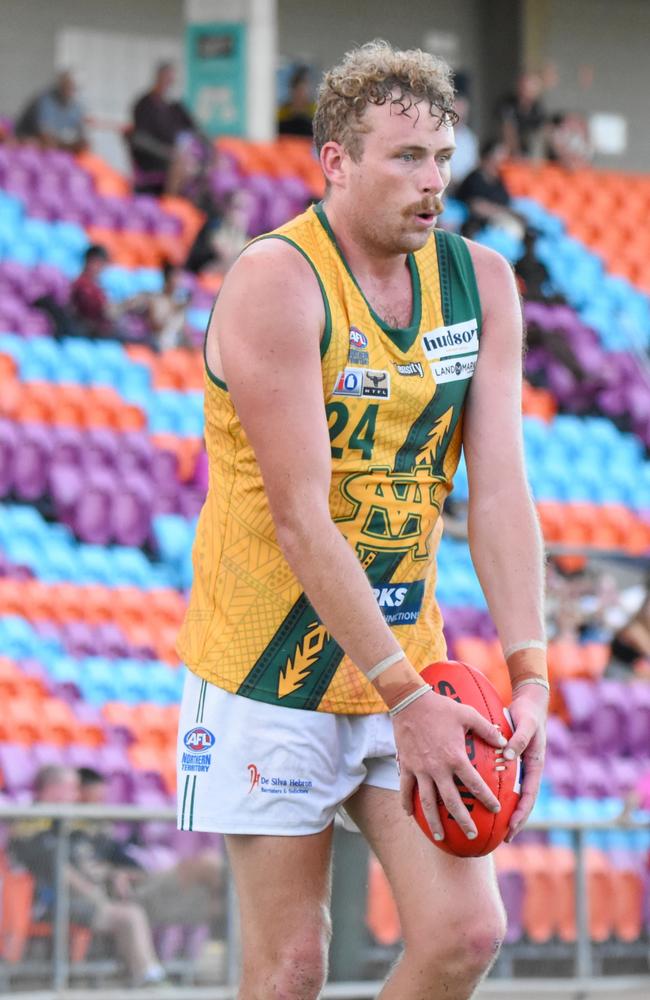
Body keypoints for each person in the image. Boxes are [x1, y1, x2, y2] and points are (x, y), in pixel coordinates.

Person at [176, 39, 548, 1000]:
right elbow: (303, 519)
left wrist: (531, 672)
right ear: (335, 161)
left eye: (443, 156)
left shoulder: (483, 285)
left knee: (466, 933)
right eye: (406, 158)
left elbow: (500, 491)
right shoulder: (277, 282)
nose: (434, 182)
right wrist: (409, 702)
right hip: (269, 667)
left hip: (406, 658)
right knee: (291, 968)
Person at [8, 766, 167, 987]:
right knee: (129, 915)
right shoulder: (29, 823)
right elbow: (58, 870)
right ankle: (150, 978)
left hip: (78, 899)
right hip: (45, 904)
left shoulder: (65, 822)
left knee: (134, 905)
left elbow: (88, 860)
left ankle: (142, 975)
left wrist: (113, 874)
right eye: (71, 788)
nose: (76, 795)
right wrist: (96, 895)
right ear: (53, 789)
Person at [77, 767, 225, 932]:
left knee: (219, 897)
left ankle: (233, 924)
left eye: (102, 798)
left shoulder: (100, 828)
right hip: (135, 891)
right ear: (81, 793)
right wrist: (114, 873)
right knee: (208, 864)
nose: (101, 804)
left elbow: (117, 854)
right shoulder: (70, 833)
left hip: (145, 876)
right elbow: (87, 870)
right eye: (97, 798)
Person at [129, 62, 205, 197]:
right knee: (180, 162)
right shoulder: (144, 104)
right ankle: (172, 203)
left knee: (199, 162)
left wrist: (209, 145)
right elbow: (140, 139)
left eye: (172, 80)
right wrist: (167, 152)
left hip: (177, 152)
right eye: (167, 78)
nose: (169, 83)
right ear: (158, 78)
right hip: (153, 156)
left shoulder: (174, 104)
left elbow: (194, 126)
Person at [456, 138, 525, 238]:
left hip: (499, 223)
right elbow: (477, 206)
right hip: (477, 227)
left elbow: (506, 201)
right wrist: (506, 213)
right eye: (499, 156)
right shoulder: (475, 178)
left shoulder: (499, 180)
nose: (502, 161)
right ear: (487, 157)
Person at [15, 70, 87, 152]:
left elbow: (80, 137)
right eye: (68, 86)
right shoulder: (45, 100)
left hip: (60, 147)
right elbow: (45, 136)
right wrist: (68, 145)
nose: (71, 90)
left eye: (75, 88)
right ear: (60, 84)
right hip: (31, 145)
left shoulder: (76, 106)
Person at [497, 71, 547, 158]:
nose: (526, 90)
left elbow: (542, 130)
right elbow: (507, 129)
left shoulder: (537, 107)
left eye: (531, 87)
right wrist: (517, 153)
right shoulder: (508, 103)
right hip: (506, 148)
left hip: (529, 149)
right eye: (523, 86)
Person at [146, 262, 191, 351]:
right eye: (175, 277)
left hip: (177, 346)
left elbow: (182, 330)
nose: (179, 281)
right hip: (159, 345)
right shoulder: (156, 300)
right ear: (167, 278)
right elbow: (156, 326)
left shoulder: (180, 302)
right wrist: (173, 308)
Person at [278, 65, 316, 137]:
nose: (301, 94)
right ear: (292, 90)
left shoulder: (314, 114)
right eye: (298, 90)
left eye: (304, 90)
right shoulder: (282, 114)